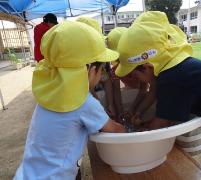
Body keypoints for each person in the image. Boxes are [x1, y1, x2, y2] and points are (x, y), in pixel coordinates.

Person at [115, 11, 201, 180]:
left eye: (136, 75)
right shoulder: (178, 67)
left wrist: (134, 135)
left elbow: (161, 123)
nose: (136, 80)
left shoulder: (172, 77)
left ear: (147, 67)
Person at [14, 21, 125, 180]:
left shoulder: (49, 95)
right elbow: (115, 130)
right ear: (92, 71)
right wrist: (129, 130)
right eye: (101, 70)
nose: (101, 75)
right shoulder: (84, 103)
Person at [106, 27, 156, 125]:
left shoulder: (146, 66)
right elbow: (116, 92)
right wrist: (120, 113)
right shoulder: (115, 70)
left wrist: (135, 110)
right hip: (131, 88)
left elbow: (146, 89)